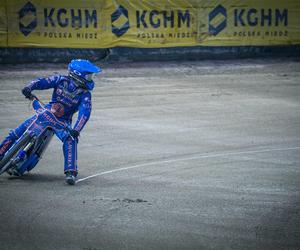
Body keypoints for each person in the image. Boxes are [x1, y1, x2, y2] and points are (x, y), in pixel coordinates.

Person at [0, 59, 101, 185]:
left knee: (71, 139)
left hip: (62, 122)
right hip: (47, 113)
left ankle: (71, 171)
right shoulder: (60, 80)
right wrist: (29, 87)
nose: (91, 78)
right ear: (78, 74)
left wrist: (76, 129)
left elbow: (85, 113)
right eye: (89, 75)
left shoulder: (85, 95)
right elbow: (42, 82)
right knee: (16, 132)